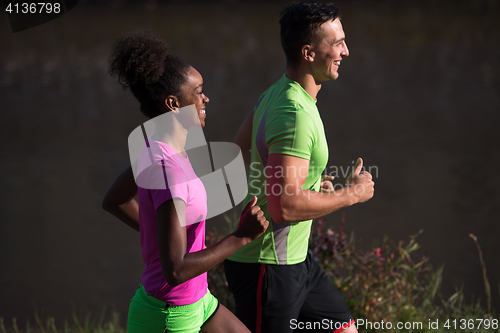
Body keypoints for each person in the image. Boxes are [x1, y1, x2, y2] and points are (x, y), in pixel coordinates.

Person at [102, 30, 269, 333]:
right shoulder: (169, 172)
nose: (206, 98)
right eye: (198, 92)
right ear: (172, 103)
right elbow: (176, 269)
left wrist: (164, 233)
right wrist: (241, 237)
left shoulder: (160, 149)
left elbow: (116, 199)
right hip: (170, 318)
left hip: (199, 302)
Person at [225, 3, 374, 333]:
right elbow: (284, 207)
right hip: (268, 268)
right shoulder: (294, 113)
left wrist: (299, 183)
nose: (346, 51)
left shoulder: (277, 93)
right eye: (337, 44)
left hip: (296, 262)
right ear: (308, 52)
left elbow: (241, 147)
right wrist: (352, 194)